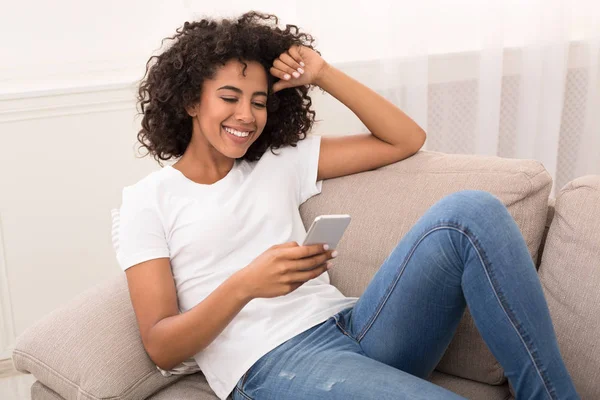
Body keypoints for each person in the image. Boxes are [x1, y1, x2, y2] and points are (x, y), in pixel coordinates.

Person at [113, 11, 579, 400]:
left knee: (472, 211)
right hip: (272, 362)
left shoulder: (276, 163)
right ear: (192, 101)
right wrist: (246, 285)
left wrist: (323, 75)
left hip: (352, 326)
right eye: (229, 98)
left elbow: (405, 139)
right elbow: (161, 346)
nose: (246, 116)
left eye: (258, 102)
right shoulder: (147, 202)